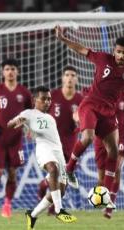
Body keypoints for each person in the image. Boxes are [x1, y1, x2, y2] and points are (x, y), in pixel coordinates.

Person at [55, 26, 124, 189]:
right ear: (114, 51)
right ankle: (69, 169)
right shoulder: (102, 58)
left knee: (113, 151)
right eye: (118, 51)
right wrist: (63, 39)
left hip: (108, 112)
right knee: (88, 137)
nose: (121, 55)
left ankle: (107, 195)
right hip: (90, 104)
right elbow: (82, 49)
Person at [7, 86, 77, 229]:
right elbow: (10, 123)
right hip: (43, 148)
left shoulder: (50, 117)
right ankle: (59, 210)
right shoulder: (29, 113)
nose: (47, 102)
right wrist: (17, 121)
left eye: (49, 99)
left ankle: (32, 214)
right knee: (52, 168)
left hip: (58, 151)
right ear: (34, 100)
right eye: (43, 99)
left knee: (60, 190)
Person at [0, 58, 33, 217]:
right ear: (3, 72)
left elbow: (31, 114)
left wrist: (29, 128)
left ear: (17, 71)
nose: (10, 72)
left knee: (12, 173)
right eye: (7, 69)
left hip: (16, 139)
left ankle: (7, 205)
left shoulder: (24, 92)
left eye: (13, 69)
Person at [37, 65, 83, 215]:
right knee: (53, 172)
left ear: (76, 79)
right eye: (67, 75)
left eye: (72, 75)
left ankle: (45, 189)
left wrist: (79, 121)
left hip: (70, 146)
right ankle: (53, 208)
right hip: (50, 144)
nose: (70, 78)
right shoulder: (53, 95)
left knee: (62, 186)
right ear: (63, 78)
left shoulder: (80, 99)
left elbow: (84, 121)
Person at [93, 91, 124, 218]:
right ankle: (102, 199)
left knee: (116, 170)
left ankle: (109, 207)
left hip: (119, 137)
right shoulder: (99, 92)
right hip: (100, 137)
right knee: (101, 179)